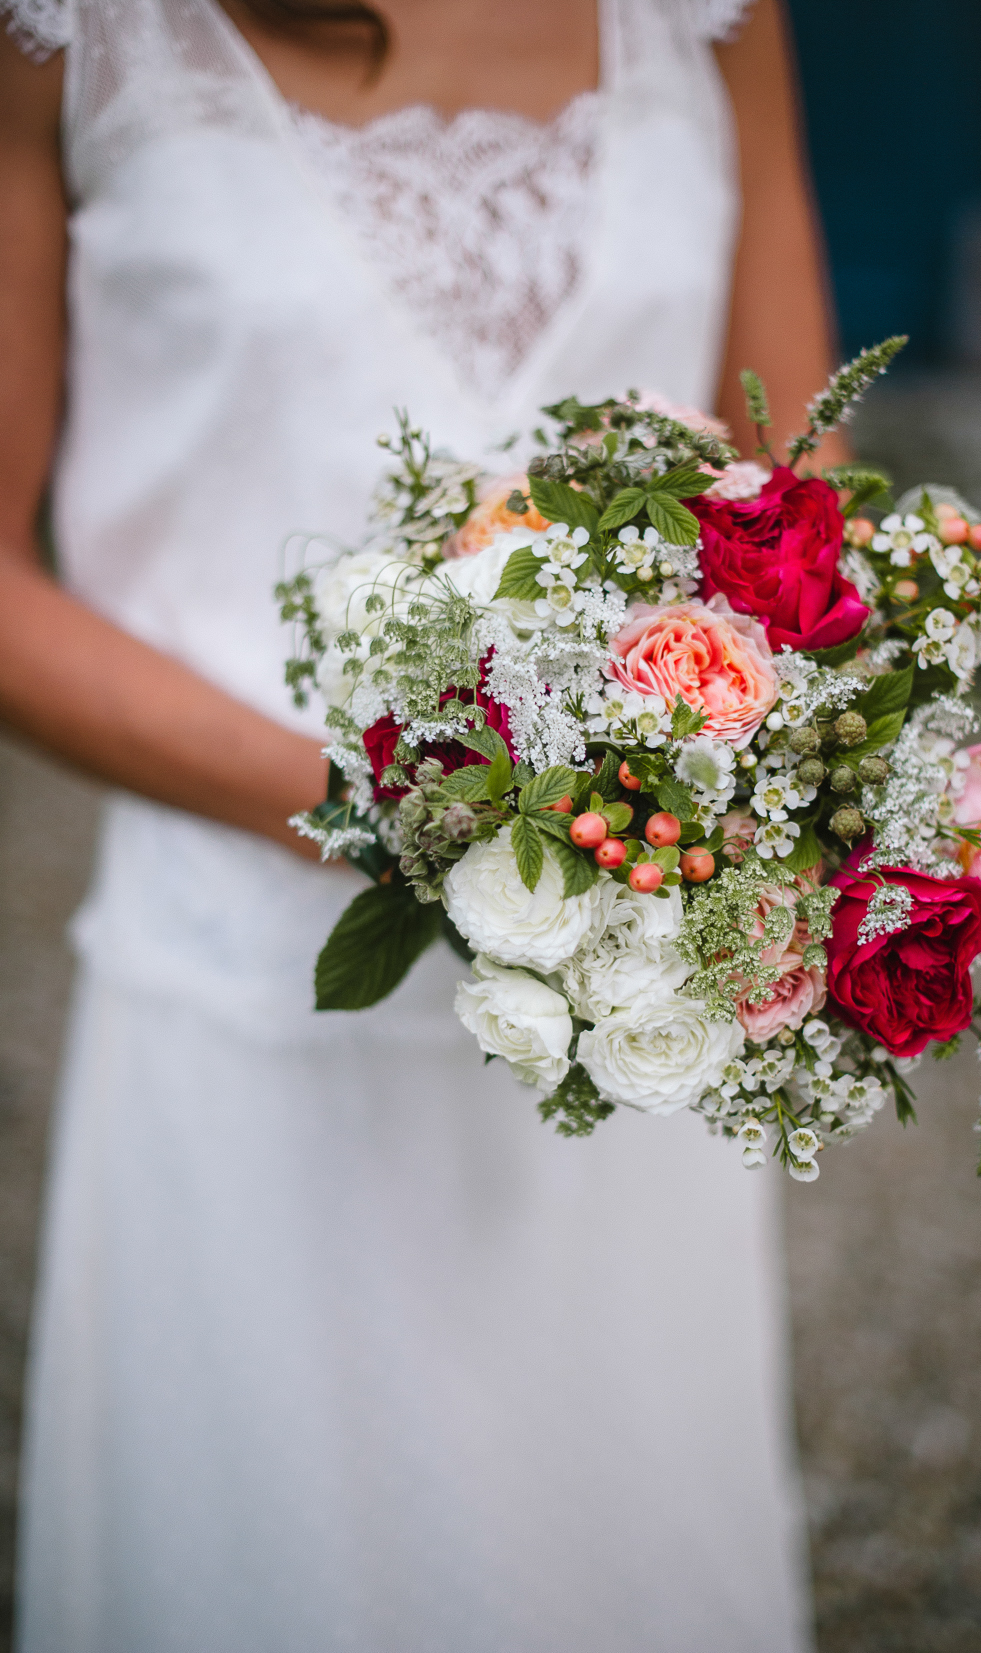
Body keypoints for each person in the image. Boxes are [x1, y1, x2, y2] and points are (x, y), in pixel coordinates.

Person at [0, 2, 846, 1647]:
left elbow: (794, 493)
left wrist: (783, 801)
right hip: (255, 1003)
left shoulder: (713, 21)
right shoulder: (72, 32)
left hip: (631, 1018)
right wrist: (397, 825)